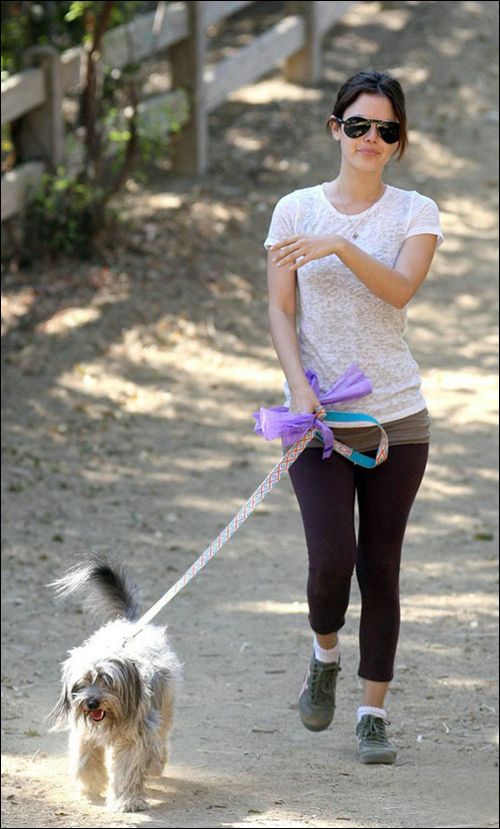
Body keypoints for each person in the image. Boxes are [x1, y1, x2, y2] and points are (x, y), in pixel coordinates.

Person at [263, 69, 444, 764]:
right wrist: (296, 386)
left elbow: (398, 289)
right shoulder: (293, 209)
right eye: (359, 125)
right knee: (331, 559)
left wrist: (340, 244)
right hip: (318, 419)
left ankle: (373, 713)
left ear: (398, 142)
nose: (371, 138)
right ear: (336, 128)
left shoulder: (416, 212)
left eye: (386, 129)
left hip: (398, 419)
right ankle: (325, 654)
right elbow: (281, 306)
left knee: (380, 565)